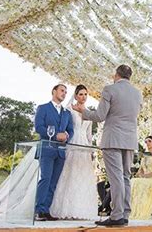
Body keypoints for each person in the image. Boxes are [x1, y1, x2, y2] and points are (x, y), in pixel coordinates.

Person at [73, 65, 142, 227]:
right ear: (129, 76)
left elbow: (99, 116)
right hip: (130, 140)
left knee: (116, 177)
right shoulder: (137, 93)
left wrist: (82, 111)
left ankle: (117, 215)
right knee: (125, 176)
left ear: (116, 75)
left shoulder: (110, 89)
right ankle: (124, 214)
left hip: (113, 139)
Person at [50, 84, 98, 220]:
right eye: (81, 94)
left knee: (82, 174)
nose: (83, 97)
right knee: (69, 172)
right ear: (76, 95)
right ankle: (64, 208)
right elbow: (63, 126)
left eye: (85, 94)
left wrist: (91, 149)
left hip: (84, 146)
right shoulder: (69, 110)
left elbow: (89, 134)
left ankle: (81, 209)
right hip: (72, 141)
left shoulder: (89, 112)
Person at [34, 84, 74, 221]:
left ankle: (46, 210)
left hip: (61, 151)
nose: (64, 93)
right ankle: (38, 210)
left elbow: (71, 130)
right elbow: (38, 127)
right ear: (54, 91)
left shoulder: (67, 113)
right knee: (45, 178)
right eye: (62, 90)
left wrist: (67, 136)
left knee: (53, 182)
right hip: (46, 149)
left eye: (66, 92)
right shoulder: (43, 108)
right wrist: (56, 135)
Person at [130, 136, 152, 219]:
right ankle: (134, 210)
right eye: (146, 142)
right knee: (133, 181)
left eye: (149, 141)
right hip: (145, 179)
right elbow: (141, 169)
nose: (148, 143)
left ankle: (143, 212)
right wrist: (140, 174)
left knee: (141, 183)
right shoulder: (145, 154)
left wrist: (147, 176)